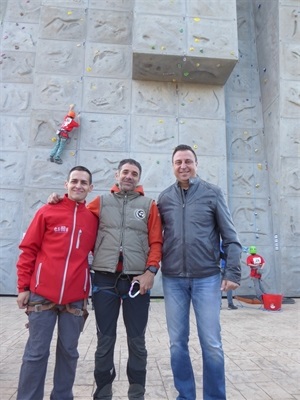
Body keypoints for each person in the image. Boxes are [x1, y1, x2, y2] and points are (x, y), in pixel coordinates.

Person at [48, 159, 163, 400]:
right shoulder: (100, 202)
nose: (129, 176)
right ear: (117, 175)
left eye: (134, 173)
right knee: (105, 340)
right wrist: (60, 201)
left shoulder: (149, 205)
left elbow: (156, 241)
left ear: (138, 177)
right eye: (125, 172)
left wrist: (150, 271)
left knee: (137, 340)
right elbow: (75, 215)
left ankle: (137, 392)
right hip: (104, 279)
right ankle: (102, 393)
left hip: (136, 281)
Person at [157, 144, 242, 400]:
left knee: (212, 344)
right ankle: (185, 395)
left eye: (188, 161)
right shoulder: (164, 198)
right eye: (178, 162)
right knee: (177, 344)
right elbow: (152, 236)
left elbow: (231, 238)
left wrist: (232, 273)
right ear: (172, 166)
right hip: (173, 280)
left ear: (196, 163)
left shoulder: (212, 193)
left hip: (207, 278)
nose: (183, 166)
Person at [16, 166, 98, 400]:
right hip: (41, 296)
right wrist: (23, 288)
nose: (78, 186)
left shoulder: (92, 219)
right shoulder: (47, 211)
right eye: (74, 181)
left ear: (90, 188)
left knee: (69, 353)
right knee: (36, 353)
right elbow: (28, 249)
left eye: (84, 182)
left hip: (75, 298)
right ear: (66, 184)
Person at [220, 241, 238, 310]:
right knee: (229, 286)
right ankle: (230, 304)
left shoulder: (219, 243)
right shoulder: (230, 243)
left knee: (220, 287)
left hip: (221, 267)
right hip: (228, 267)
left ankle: (219, 305)